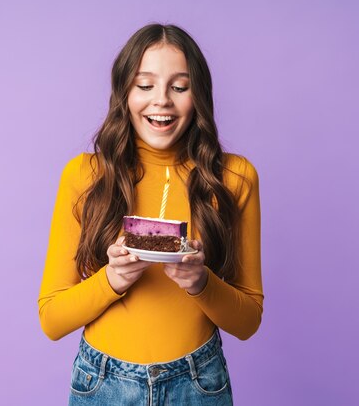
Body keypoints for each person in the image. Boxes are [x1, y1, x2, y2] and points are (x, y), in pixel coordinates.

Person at [38, 23, 263, 406]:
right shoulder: (84, 175)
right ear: (124, 93)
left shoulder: (235, 177)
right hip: (104, 383)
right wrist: (110, 279)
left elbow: (248, 321)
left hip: (198, 383)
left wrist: (200, 281)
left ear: (199, 96)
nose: (162, 100)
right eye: (145, 85)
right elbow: (52, 320)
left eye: (179, 86)